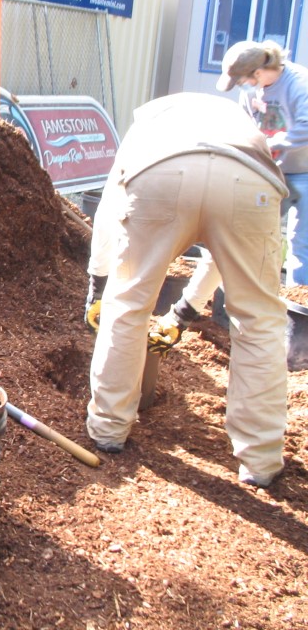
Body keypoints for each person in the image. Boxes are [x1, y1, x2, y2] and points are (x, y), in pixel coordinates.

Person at [84, 92, 288, 488]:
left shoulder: (148, 123)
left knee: (127, 305)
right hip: (250, 182)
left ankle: (108, 430)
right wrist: (184, 312)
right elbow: (220, 256)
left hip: (161, 171)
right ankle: (261, 460)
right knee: (259, 321)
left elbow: (110, 210)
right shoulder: (241, 126)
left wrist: (99, 285)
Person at [217, 40, 308, 285]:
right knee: (250, 233)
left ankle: (297, 308)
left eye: (242, 81)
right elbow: (244, 126)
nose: (242, 87)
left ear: (257, 72)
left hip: (305, 172)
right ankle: (248, 292)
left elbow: (306, 126)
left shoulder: (300, 84)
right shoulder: (251, 92)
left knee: (302, 242)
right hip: (270, 172)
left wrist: (273, 143)